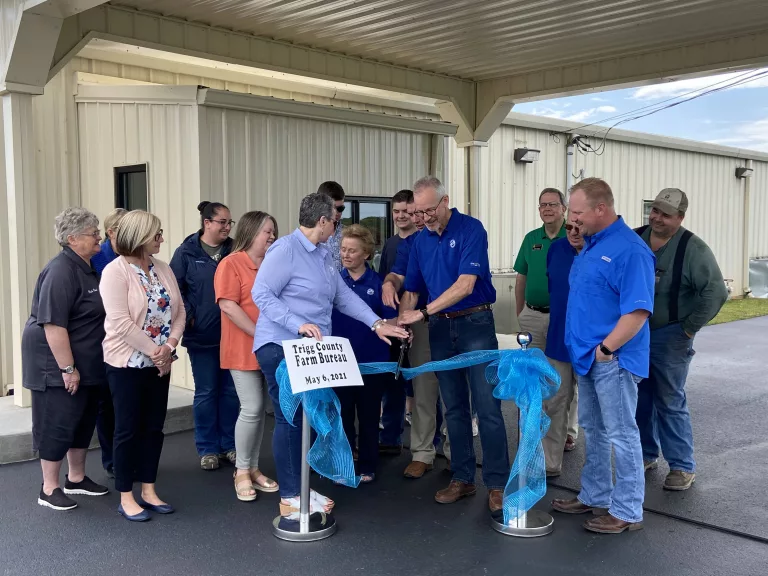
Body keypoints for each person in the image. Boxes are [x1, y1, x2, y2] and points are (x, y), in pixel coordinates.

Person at [252, 192, 408, 531]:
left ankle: (301, 488)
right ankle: (291, 494)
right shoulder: (285, 250)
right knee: (290, 418)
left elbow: (342, 296)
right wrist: (297, 323)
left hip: (312, 351)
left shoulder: (323, 255)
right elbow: (260, 293)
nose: (336, 229)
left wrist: (377, 323)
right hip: (281, 346)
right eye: (334, 222)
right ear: (322, 221)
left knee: (308, 416)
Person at [398, 176, 509, 512]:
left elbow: (465, 284)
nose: (424, 217)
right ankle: (462, 478)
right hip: (441, 331)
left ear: (445, 202)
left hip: (475, 323)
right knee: (454, 407)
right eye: (419, 212)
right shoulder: (420, 241)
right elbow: (413, 289)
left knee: (487, 406)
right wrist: (403, 319)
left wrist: (423, 312)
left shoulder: (471, 229)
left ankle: (497, 483)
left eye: (429, 210)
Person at [551, 178, 655, 534]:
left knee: (621, 432)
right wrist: (580, 247)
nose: (572, 219)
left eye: (578, 212)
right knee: (593, 429)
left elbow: (638, 311)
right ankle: (595, 495)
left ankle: (627, 510)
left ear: (601, 209)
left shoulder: (631, 250)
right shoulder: (591, 245)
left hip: (613, 359)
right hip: (586, 356)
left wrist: (608, 348)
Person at [635, 188, 727, 491]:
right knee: (639, 397)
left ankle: (681, 466)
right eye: (655, 210)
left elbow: (716, 291)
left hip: (670, 334)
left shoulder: (693, 248)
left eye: (666, 214)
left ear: (680, 218)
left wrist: (688, 328)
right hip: (634, 332)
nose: (657, 218)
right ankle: (645, 454)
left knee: (670, 399)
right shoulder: (635, 238)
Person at [22, 208, 110, 511]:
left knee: (82, 421)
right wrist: (68, 369)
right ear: (72, 238)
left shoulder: (87, 266)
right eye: (93, 232)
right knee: (57, 422)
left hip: (87, 360)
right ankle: (49, 488)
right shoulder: (61, 271)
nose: (99, 236)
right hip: (56, 363)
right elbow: (54, 325)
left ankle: (76, 477)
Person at [100, 210, 185, 522]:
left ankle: (149, 489)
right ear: (138, 237)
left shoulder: (162, 268)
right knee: (127, 429)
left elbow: (180, 311)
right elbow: (120, 322)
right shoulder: (115, 271)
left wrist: (169, 347)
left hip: (159, 362)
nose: (161, 238)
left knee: (153, 428)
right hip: (126, 363)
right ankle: (126, 496)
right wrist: (156, 351)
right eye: (156, 234)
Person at [382, 197, 452, 478]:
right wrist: (389, 283)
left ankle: (455, 451)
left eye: (422, 211)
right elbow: (398, 276)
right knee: (423, 389)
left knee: (455, 391)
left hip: (453, 320)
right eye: (414, 212)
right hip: (419, 323)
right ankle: (422, 452)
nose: (418, 216)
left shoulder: (455, 236)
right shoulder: (408, 245)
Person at [214, 211, 280, 501]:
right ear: (251, 232)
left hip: (269, 348)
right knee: (251, 408)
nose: (272, 236)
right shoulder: (231, 263)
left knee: (261, 409)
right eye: (267, 231)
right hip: (243, 347)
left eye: (274, 231)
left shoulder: (273, 264)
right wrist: (259, 334)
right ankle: (241, 470)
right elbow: (228, 306)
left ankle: (252, 468)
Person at [171, 201, 239, 471]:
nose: (226, 227)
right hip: (202, 335)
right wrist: (190, 316)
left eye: (229, 222)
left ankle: (230, 444)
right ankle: (207, 448)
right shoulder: (186, 252)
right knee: (207, 392)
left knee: (231, 392)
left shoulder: (235, 250)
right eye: (222, 222)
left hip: (233, 334)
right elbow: (175, 290)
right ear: (207, 223)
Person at [514, 188, 579, 452]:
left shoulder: (574, 235)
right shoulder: (531, 239)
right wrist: (521, 313)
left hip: (562, 318)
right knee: (534, 377)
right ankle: (539, 431)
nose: (547, 209)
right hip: (532, 316)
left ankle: (567, 432)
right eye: (543, 205)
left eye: (553, 204)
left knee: (564, 379)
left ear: (564, 208)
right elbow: (521, 278)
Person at [333, 225, 397, 482]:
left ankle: (368, 465)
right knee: (343, 415)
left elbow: (390, 321)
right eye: (343, 250)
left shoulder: (380, 285)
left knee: (369, 416)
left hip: (373, 361)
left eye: (352, 251)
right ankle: (345, 463)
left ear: (367, 254)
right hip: (339, 360)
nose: (346, 255)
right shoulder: (334, 281)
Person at [543, 220, 584, 477]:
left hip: (594, 347)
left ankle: (596, 483)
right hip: (559, 340)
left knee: (596, 413)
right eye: (569, 227)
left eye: (580, 226)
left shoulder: (604, 252)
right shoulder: (556, 250)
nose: (573, 232)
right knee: (553, 402)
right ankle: (549, 463)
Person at [90, 207, 129, 478]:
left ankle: (129, 456)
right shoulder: (97, 259)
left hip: (130, 339)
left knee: (127, 403)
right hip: (102, 338)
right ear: (112, 232)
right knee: (107, 405)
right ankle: (112, 460)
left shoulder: (135, 256)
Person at [378, 190, 416, 454]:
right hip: (393, 322)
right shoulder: (390, 244)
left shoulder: (423, 240)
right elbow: (384, 283)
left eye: (406, 210)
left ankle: (431, 444)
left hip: (420, 320)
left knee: (423, 384)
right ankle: (390, 437)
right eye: (396, 211)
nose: (401, 216)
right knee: (392, 380)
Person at [318, 181, 346, 271]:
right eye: (334, 208)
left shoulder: (347, 233)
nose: (337, 213)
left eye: (341, 208)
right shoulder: (310, 235)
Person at [91, 208, 128, 274]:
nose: (133, 233)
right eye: (126, 229)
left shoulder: (141, 253)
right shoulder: (95, 257)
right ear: (111, 233)